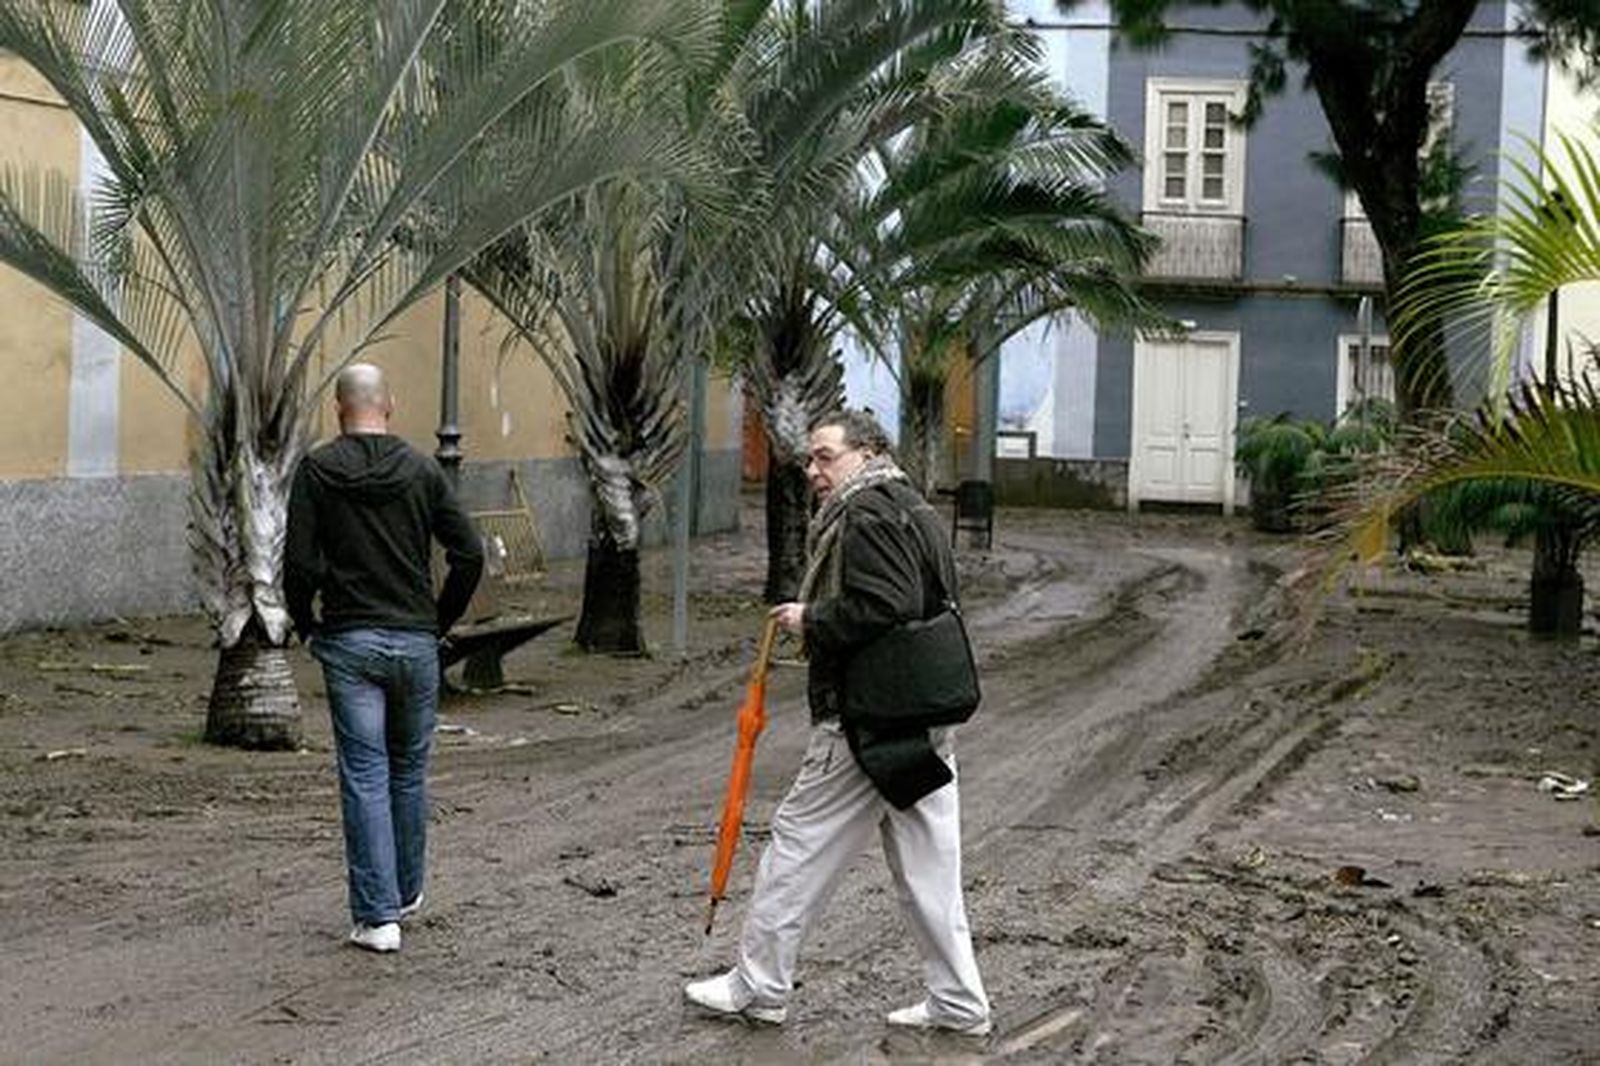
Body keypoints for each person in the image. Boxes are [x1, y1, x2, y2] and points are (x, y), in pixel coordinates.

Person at [685, 409, 990, 1035]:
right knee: (931, 869)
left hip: (864, 722)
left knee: (797, 849)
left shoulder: (868, 511)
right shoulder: (915, 507)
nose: (813, 470)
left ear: (868, 452)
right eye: (810, 459)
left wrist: (812, 620)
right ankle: (959, 1003)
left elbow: (887, 603)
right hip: (922, 717)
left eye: (826, 456)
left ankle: (758, 987)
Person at [284, 363, 484, 953]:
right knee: (408, 769)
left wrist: (307, 624)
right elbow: (468, 554)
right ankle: (406, 892)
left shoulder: (318, 470)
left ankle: (377, 920)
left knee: (366, 772)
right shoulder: (422, 471)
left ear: (338, 410)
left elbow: (297, 562)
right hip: (415, 642)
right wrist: (437, 622)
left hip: (349, 643)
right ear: (389, 405)